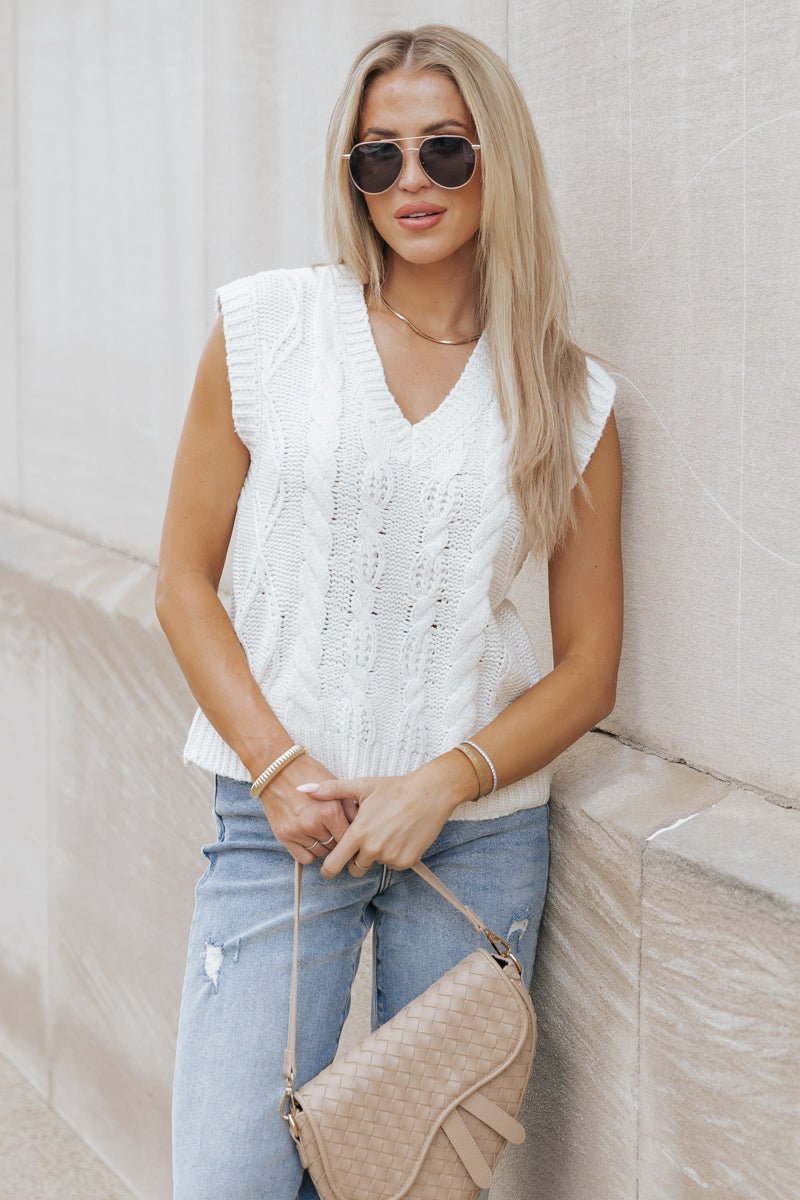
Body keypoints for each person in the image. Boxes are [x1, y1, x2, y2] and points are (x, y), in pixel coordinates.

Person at [155, 21, 622, 1200]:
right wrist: (273, 766)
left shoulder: (566, 398)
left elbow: (587, 669)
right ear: (351, 174)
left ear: (493, 162)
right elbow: (180, 582)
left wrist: (442, 781)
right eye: (379, 158)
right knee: (228, 1181)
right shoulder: (267, 330)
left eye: (443, 153)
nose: (410, 182)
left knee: (409, 1190)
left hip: (471, 843)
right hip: (279, 835)